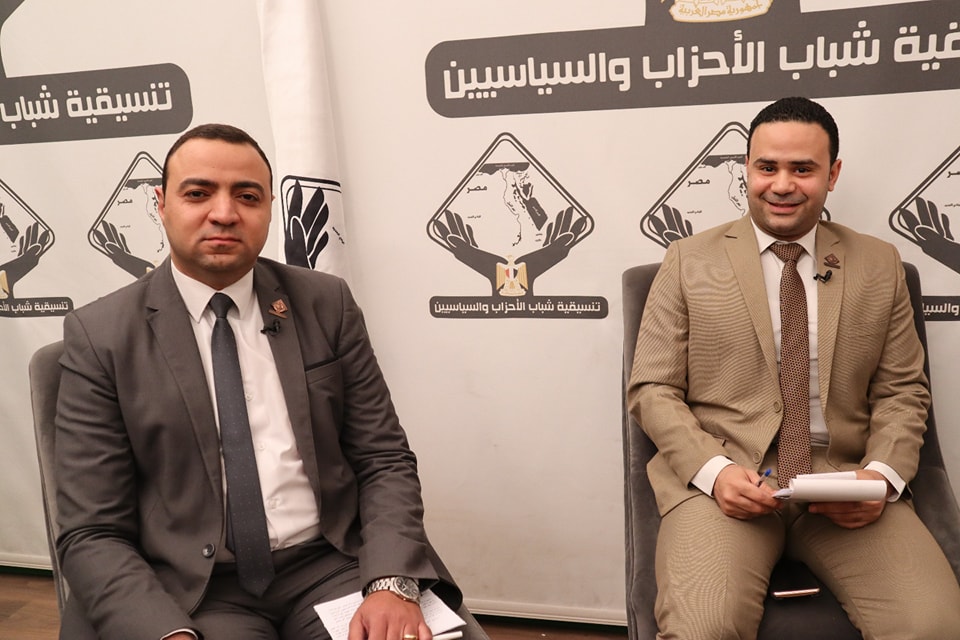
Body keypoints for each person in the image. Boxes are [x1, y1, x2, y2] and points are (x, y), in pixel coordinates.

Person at [54, 123, 472, 640]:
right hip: (191, 588)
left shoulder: (327, 304)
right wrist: (168, 633)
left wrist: (391, 584)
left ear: (269, 208)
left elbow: (382, 457)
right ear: (160, 204)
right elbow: (92, 530)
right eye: (198, 193)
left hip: (332, 565)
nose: (224, 213)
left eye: (247, 196)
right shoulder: (100, 335)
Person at [627, 97, 960, 639]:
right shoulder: (688, 260)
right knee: (703, 628)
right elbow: (652, 388)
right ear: (746, 168)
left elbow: (903, 391)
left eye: (802, 169)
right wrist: (713, 470)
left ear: (833, 174)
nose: (782, 185)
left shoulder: (879, 264)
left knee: (934, 626)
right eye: (767, 167)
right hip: (727, 481)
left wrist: (880, 478)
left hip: (844, 482)